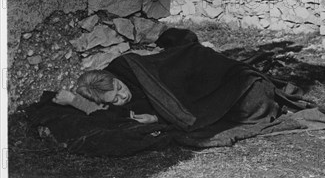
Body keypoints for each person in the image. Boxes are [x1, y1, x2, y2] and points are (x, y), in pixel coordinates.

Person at [52, 28, 302, 130]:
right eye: (116, 99)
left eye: (119, 88)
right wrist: (75, 101)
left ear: (113, 76)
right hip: (198, 100)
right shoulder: (120, 107)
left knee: (252, 89)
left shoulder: (128, 66)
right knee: (254, 106)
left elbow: (172, 65)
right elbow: (103, 115)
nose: (123, 96)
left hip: (201, 71)